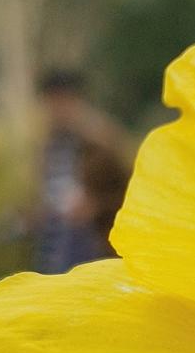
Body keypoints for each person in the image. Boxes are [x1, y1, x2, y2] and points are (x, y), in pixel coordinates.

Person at [33, 70, 133, 272]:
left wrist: (95, 206)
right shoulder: (47, 144)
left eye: (62, 101)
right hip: (54, 242)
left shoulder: (102, 141)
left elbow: (132, 191)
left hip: (93, 245)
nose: (56, 110)